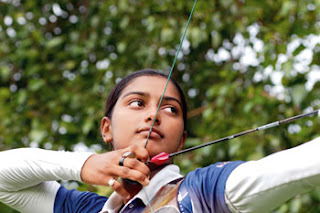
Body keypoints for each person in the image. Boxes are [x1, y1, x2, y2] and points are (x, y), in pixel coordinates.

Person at [0, 69, 319, 213]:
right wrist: (85, 165)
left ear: (181, 141)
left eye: (171, 109)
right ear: (106, 128)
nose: (154, 116)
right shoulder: (86, 208)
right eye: (138, 103)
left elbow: (303, 164)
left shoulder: (205, 192)